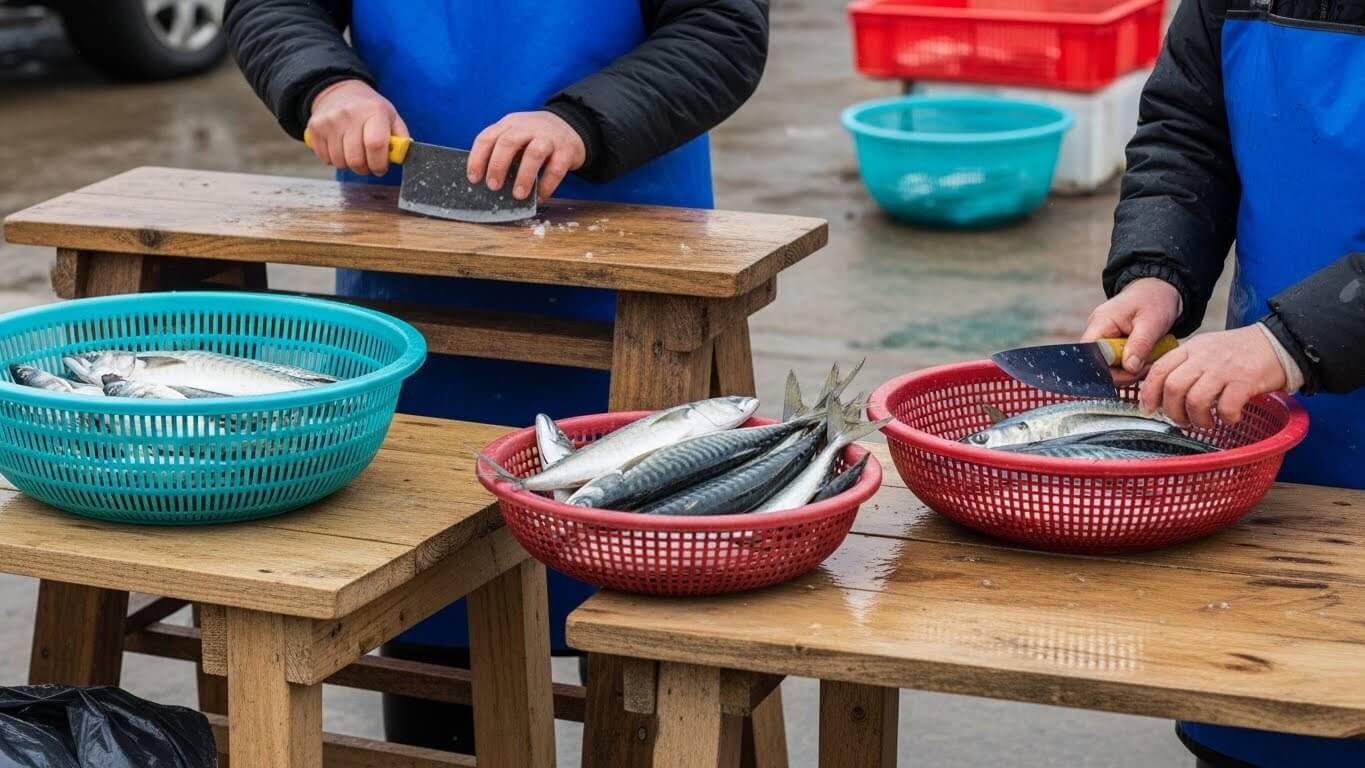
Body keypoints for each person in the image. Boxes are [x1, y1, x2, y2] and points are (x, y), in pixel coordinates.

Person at [223, 0, 769, 753]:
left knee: (642, 587)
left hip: (629, 269)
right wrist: (324, 83)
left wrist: (580, 123)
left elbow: (721, 29)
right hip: (412, 261)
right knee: (420, 576)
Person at [1082, 1, 1365, 765]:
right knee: (1260, 710)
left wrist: (1292, 339)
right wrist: (1155, 272)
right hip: (1276, 447)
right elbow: (1186, 133)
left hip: (1281, 358)